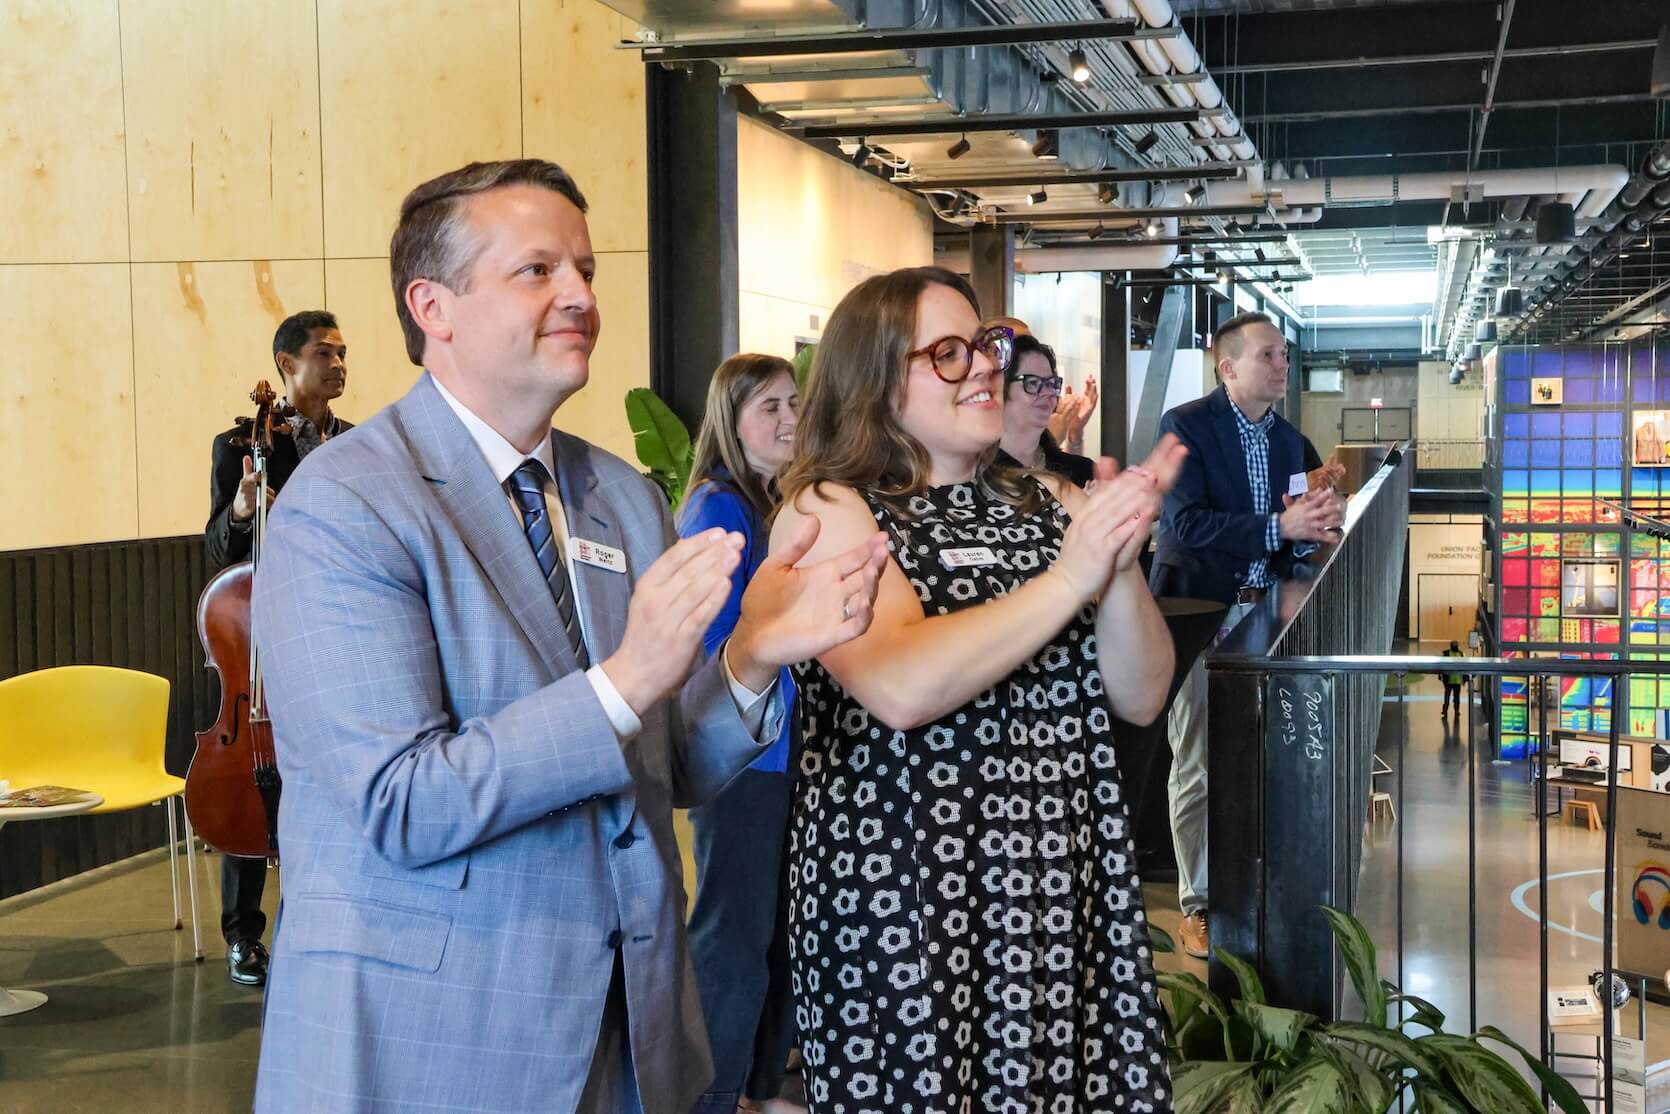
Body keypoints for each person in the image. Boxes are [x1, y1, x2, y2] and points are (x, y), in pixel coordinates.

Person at [248, 159, 888, 1114]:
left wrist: (751, 650)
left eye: (585, 270)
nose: (581, 296)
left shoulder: (619, 495)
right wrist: (627, 679)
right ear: (435, 306)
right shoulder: (345, 503)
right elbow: (402, 800)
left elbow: (660, 763)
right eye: (537, 271)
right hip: (439, 1036)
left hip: (630, 1031)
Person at [773, 265, 1186, 1112]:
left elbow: (1143, 694)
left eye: (989, 344)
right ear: (877, 377)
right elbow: (897, 683)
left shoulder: (1047, 499)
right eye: (951, 353)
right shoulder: (833, 509)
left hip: (1055, 882)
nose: (988, 366)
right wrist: (1074, 577)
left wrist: (1117, 563)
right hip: (908, 896)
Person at [1148, 311, 1346, 960]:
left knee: (1264, 763)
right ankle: (1200, 904)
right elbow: (1182, 532)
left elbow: (1300, 530)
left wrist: (1317, 528)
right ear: (1226, 366)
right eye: (1268, 355)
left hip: (1269, 624)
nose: (1282, 365)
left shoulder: (1291, 443)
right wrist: (1277, 531)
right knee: (1200, 764)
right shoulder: (1187, 427)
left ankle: (1255, 887)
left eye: (1284, 355)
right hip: (1201, 619)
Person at [204, 308, 350, 987]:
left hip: (337, 632)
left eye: (343, 352)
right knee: (251, 774)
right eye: (325, 353)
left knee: (329, 786)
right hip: (260, 652)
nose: (340, 363)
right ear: (288, 364)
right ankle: (243, 934)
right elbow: (221, 549)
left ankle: (322, 920)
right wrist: (242, 506)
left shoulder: (357, 444)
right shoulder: (240, 444)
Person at [678, 355, 805, 1114]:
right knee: (732, 942)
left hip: (786, 756)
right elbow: (718, 646)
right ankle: (712, 1095)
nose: (790, 419)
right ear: (732, 418)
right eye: (770, 408)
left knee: (774, 937)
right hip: (744, 761)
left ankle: (756, 1091)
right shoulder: (716, 508)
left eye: (795, 402)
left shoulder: (771, 504)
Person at [995, 333, 1094, 487]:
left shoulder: (1082, 471)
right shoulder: (978, 474)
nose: (1047, 393)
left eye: (1051, 383)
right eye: (1032, 383)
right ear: (1000, 389)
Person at [1441, 640, 1466, 719]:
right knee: (1450, 697)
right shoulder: (1450, 654)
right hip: (1450, 680)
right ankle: (1447, 711)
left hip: (1456, 680)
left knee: (1454, 697)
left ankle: (1455, 711)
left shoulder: (1460, 654)